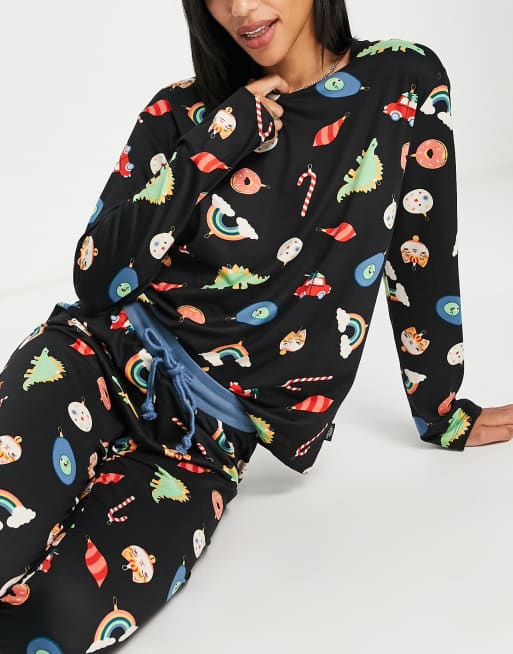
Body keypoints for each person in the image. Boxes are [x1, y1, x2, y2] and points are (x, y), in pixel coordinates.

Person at [1, 0, 512, 651]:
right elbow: (95, 276)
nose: (241, 8)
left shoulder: (401, 82)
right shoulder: (179, 111)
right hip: (88, 364)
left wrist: (440, 408)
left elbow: (423, 249)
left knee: (60, 620)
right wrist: (215, 144)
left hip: (202, 447)